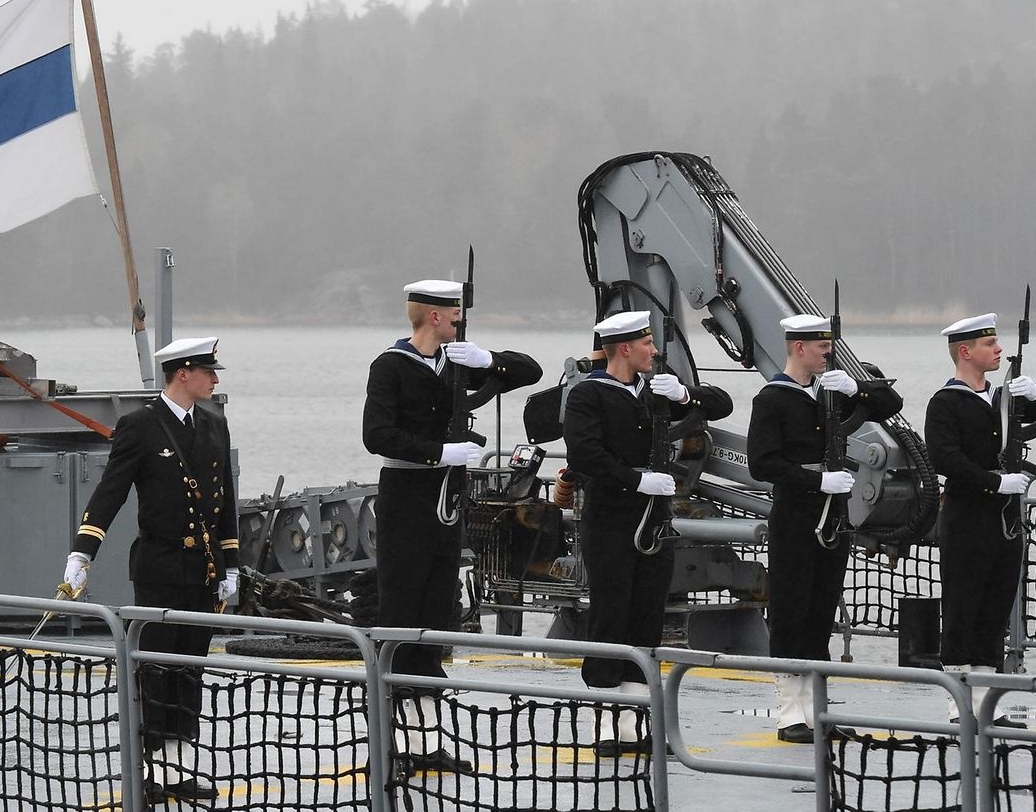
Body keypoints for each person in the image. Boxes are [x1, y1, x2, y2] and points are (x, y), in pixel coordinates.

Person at [362, 278, 541, 775]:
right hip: (408, 496)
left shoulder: (458, 365)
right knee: (401, 613)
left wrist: (488, 362)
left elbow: (530, 370)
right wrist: (439, 452)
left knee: (436, 615)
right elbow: (376, 435)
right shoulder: (391, 366)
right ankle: (393, 743)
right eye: (454, 314)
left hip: (448, 499)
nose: (460, 320)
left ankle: (425, 738)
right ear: (435, 317)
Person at [59, 336, 239, 803]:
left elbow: (227, 505)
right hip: (160, 567)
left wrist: (232, 564)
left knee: (189, 671)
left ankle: (177, 768)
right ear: (183, 372)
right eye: (208, 371)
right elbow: (111, 492)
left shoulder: (216, 424)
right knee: (155, 670)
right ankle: (151, 771)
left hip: (202, 570)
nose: (214, 380)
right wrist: (82, 553)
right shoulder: (139, 426)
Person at [563, 310, 732, 755]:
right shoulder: (589, 396)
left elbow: (722, 404)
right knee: (609, 614)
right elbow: (584, 454)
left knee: (646, 616)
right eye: (647, 345)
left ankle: (634, 720)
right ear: (624, 348)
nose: (654, 352)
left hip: (654, 520)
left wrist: (684, 394)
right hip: (613, 518)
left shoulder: (657, 389)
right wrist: (635, 479)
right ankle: (605, 717)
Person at [747, 314, 902, 743]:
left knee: (820, 614)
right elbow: (763, 463)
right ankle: (789, 714)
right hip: (797, 515)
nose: (827, 352)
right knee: (791, 612)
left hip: (834, 516)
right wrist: (816, 479)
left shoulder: (831, 395)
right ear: (798, 347)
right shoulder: (773, 399)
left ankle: (816, 711)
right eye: (820, 346)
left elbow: (892, 405)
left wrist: (858, 389)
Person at [925, 313, 1036, 728]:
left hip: (1004, 523)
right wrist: (995, 482)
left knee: (993, 611)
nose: (1000, 351)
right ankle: (960, 705)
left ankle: (989, 704)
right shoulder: (946, 402)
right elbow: (945, 458)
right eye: (990, 345)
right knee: (964, 608)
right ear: (965, 351)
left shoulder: (1003, 400)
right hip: (968, 516)